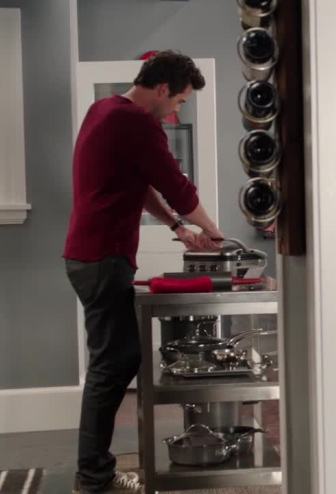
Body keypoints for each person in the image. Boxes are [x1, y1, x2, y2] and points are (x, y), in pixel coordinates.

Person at [64, 51, 224, 492]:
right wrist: (215, 232)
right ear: (162, 89)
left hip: (89, 256)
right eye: (180, 101)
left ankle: (93, 472)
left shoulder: (105, 110)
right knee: (112, 365)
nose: (176, 111)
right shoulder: (136, 122)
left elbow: (143, 186)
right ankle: (93, 477)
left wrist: (178, 226)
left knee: (117, 360)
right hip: (102, 258)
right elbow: (177, 186)